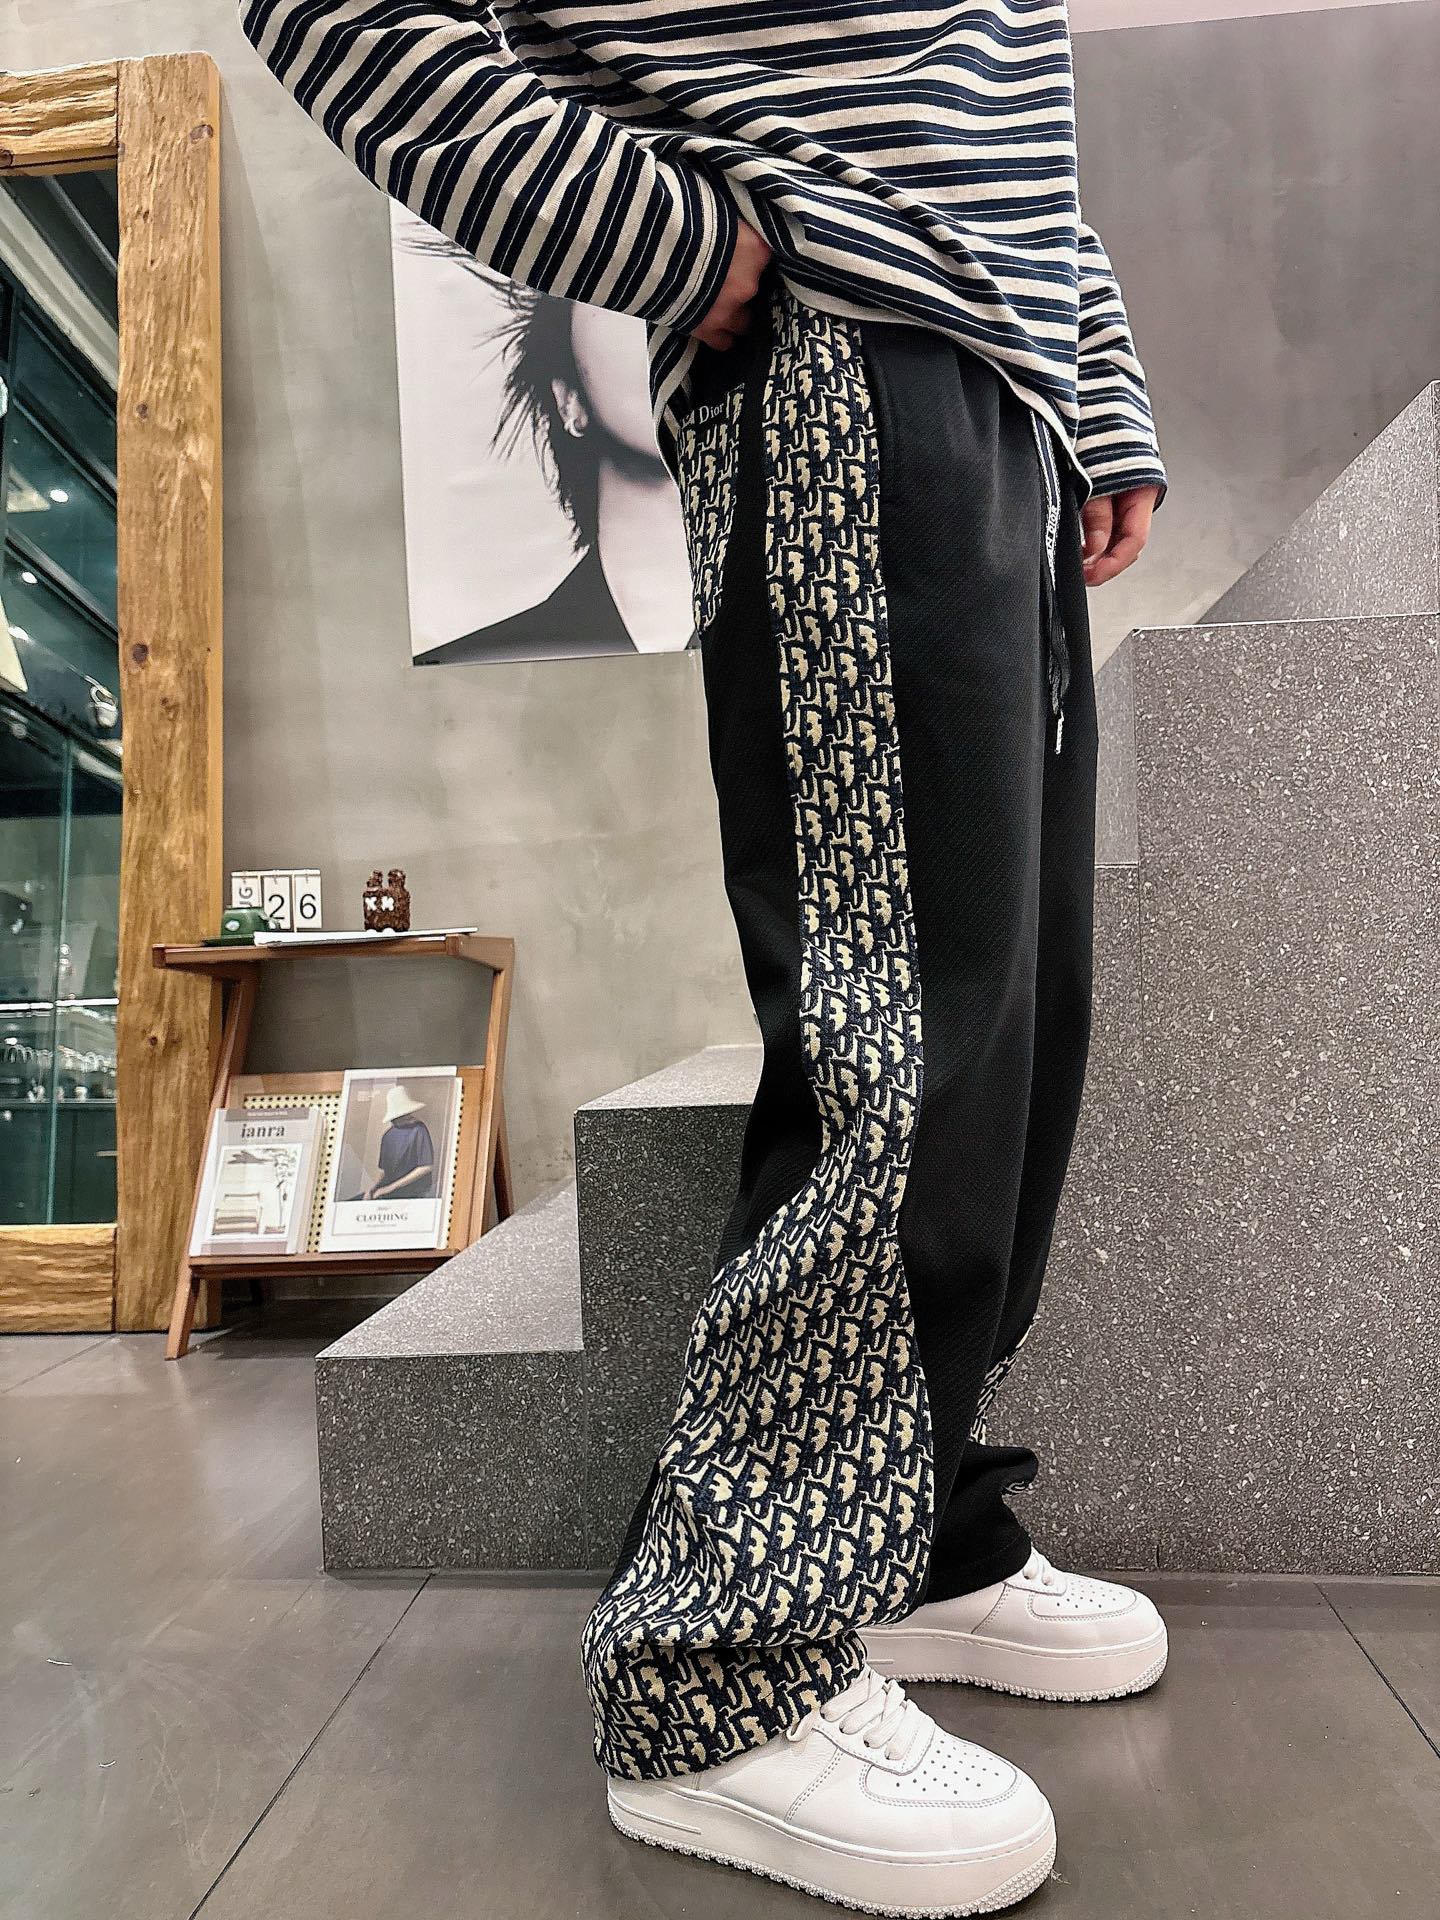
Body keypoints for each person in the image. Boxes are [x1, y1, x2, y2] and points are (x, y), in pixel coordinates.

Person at [241, 5, 1168, 1912]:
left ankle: (899, 1536)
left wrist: (1091, 374)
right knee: (899, 1028)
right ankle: (714, 1664)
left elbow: (996, 76)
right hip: (837, 334)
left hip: (996, 375)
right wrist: (678, 244)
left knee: (1016, 1028)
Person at [365, 1085, 435, 1201]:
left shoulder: (419, 1129)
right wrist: (372, 1188)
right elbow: (384, 1171)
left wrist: (390, 1188)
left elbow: (426, 1167)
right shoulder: (387, 1135)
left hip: (414, 1192)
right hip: (391, 1191)